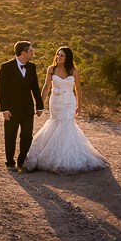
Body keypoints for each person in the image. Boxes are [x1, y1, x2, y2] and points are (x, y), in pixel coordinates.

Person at [22, 46, 109, 175]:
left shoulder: (74, 71)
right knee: (55, 123)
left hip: (69, 102)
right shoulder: (51, 70)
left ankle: (65, 157)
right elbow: (46, 87)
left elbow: (78, 89)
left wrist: (79, 106)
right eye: (58, 55)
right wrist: (40, 104)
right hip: (55, 102)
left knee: (67, 124)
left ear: (67, 57)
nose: (59, 57)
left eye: (62, 55)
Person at [0, 41, 44, 170]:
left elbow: (35, 87)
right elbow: (2, 89)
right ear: (24, 53)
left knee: (27, 135)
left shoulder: (32, 67)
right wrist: (4, 109)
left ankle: (21, 161)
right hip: (12, 109)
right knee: (10, 135)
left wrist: (39, 106)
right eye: (31, 51)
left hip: (28, 108)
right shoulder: (6, 67)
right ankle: (10, 162)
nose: (33, 53)